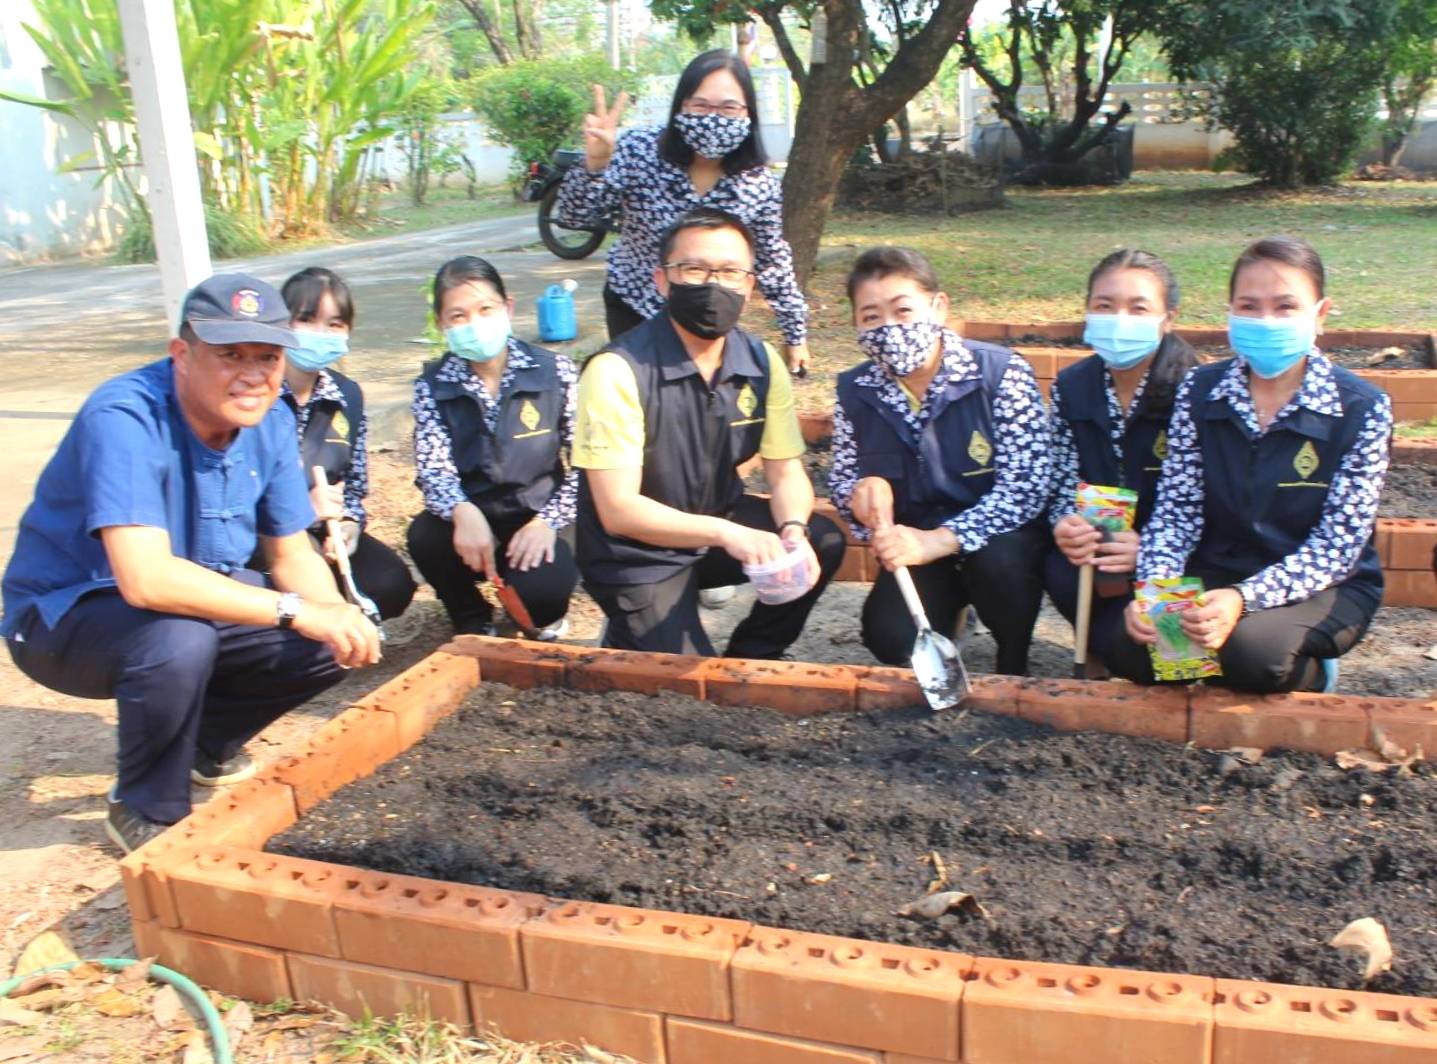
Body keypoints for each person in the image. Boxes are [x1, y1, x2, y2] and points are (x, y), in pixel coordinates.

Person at [2, 274, 382, 853]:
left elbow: (289, 551)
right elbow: (146, 579)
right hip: (64, 618)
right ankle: (144, 804)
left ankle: (201, 743)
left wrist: (336, 615)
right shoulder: (126, 415)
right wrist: (293, 608)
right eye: (230, 355)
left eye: (267, 356)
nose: (252, 374)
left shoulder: (271, 420)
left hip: (182, 602)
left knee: (328, 633)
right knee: (179, 640)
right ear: (182, 354)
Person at [1110, 236, 1392, 692]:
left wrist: (1243, 599)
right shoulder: (1200, 391)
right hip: (1219, 565)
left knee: (1251, 656)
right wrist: (1155, 591)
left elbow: (1337, 546)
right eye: (1249, 305)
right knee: (1130, 650)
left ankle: (1312, 665)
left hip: (1321, 582)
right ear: (1230, 311)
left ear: (1320, 315)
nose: (1266, 321)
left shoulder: (1360, 407)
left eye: (1285, 307)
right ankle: (1216, 656)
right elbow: (1177, 510)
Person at [573, 207, 845, 657]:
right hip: (635, 555)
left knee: (823, 539)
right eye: (694, 269)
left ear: (749, 284)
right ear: (663, 280)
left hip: (715, 522)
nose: (712, 285)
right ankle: (632, 629)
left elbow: (784, 471)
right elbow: (618, 510)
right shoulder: (617, 370)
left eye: (730, 271)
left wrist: (793, 528)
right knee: (682, 683)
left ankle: (754, 655)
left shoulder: (760, 363)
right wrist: (726, 534)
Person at [829, 247, 1051, 676]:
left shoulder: (1000, 373)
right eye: (871, 317)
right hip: (917, 544)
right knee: (890, 638)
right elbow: (842, 480)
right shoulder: (854, 391)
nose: (889, 328)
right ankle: (952, 618)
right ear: (855, 324)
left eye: (903, 310)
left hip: (995, 539)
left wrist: (941, 539)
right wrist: (859, 496)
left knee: (1003, 565)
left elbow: (1027, 487)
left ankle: (1013, 655)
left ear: (939, 307)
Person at [557, 49, 811, 374]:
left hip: (710, 309)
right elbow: (575, 216)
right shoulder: (638, 150)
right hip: (636, 305)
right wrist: (595, 164)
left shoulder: (758, 183)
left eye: (729, 107)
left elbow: (772, 261)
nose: (713, 117)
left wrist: (795, 333)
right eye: (701, 105)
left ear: (748, 114)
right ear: (681, 106)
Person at [407, 256, 579, 638]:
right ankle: (470, 616)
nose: (474, 324)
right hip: (474, 518)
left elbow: (586, 461)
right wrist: (461, 510)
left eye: (486, 309)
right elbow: (433, 467)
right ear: (441, 324)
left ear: (509, 307)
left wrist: (547, 522)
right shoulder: (432, 386)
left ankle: (530, 608)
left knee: (543, 598)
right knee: (425, 538)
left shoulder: (555, 371)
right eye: (458, 316)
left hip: (537, 513)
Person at [1045, 250, 1198, 674]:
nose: (1120, 319)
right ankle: (1098, 647)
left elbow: (1214, 502)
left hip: (1178, 552)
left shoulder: (1197, 389)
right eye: (1105, 306)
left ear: (1168, 318)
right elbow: (1061, 476)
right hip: (1103, 546)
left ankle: (1132, 652)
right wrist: (1066, 524)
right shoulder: (1073, 385)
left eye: (1139, 307)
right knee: (1060, 568)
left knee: (1168, 669)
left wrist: (1150, 548)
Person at [271, 266, 415, 620]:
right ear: (281, 325)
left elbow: (353, 484)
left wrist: (349, 525)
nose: (321, 333)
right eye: (306, 319)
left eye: (334, 324)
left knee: (390, 584)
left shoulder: (347, 395)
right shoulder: (258, 395)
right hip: (268, 541)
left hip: (325, 535)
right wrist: (300, 510)